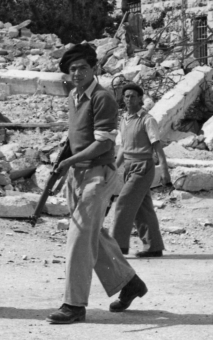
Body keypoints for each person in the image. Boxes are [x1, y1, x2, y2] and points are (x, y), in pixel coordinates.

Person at [47, 44, 148, 325]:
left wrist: (70, 161)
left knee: (79, 238)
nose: (77, 73)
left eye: (83, 68)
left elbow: (103, 143)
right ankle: (129, 283)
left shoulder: (102, 98)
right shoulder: (74, 96)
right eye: (72, 69)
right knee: (92, 233)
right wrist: (64, 162)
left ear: (95, 69)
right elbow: (76, 137)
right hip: (76, 175)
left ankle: (74, 305)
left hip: (98, 174)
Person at [110, 83, 170, 258]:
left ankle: (117, 247)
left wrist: (164, 171)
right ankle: (153, 247)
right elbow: (123, 147)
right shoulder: (124, 119)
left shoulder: (147, 120)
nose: (129, 99)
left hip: (143, 167)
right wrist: (114, 169)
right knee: (143, 208)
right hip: (129, 167)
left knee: (124, 202)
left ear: (140, 99)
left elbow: (157, 147)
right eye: (126, 96)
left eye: (133, 96)